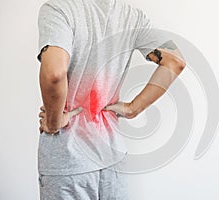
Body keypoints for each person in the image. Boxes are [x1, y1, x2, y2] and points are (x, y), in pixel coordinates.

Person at [37, 0, 186, 199]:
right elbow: (175, 61)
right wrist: (133, 108)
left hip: (68, 159)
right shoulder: (131, 16)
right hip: (113, 157)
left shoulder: (59, 9)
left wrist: (54, 122)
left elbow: (54, 73)